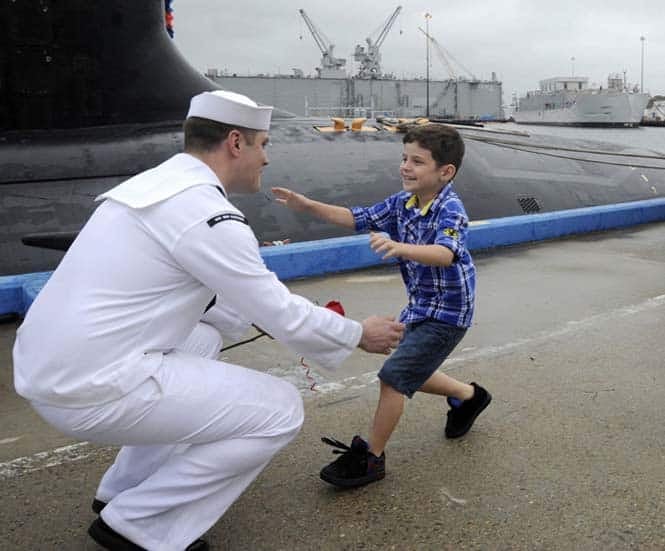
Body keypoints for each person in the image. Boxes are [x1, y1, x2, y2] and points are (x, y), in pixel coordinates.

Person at [12, 90, 404, 550]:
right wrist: (358, 333)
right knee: (279, 411)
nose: (267, 158)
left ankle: (124, 490)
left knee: (200, 341)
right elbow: (274, 308)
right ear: (235, 142)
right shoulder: (207, 214)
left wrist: (272, 313)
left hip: (50, 368)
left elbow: (224, 300)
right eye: (262, 144)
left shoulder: (151, 189)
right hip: (89, 387)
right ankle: (141, 525)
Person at [272, 123, 492, 489]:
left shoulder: (450, 208)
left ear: (445, 172)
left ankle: (372, 457)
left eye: (417, 162)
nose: (406, 167)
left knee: (393, 377)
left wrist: (399, 247)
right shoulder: (402, 204)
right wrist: (308, 206)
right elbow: (357, 217)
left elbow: (445, 252)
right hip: (422, 304)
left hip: (449, 312)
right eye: (405, 158)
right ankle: (469, 396)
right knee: (408, 369)